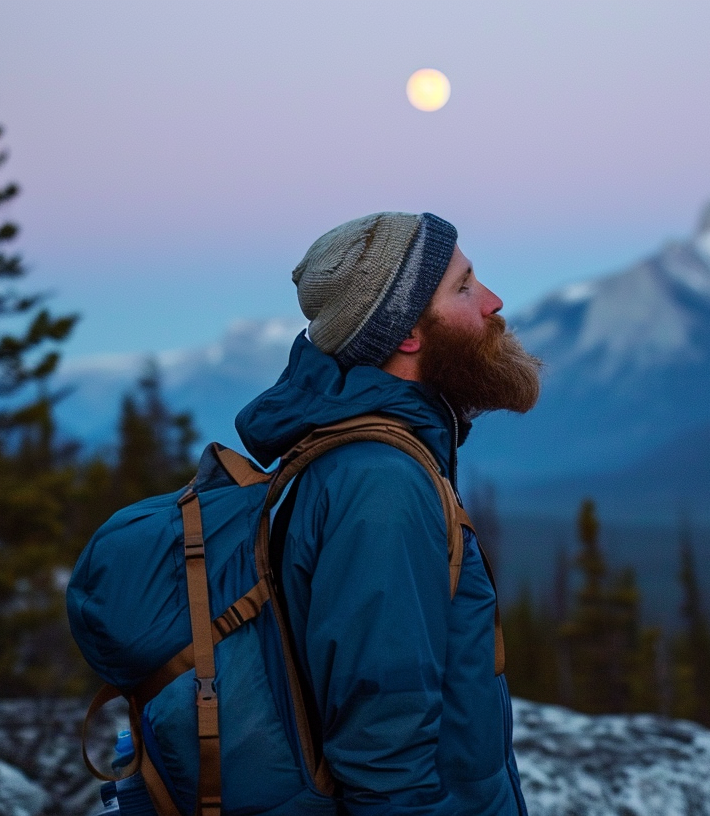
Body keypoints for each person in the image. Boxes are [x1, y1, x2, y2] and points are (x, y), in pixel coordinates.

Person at [234, 212, 540, 815]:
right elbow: (385, 754)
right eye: (464, 286)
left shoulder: (380, 460)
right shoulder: (382, 484)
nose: (493, 302)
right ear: (406, 334)